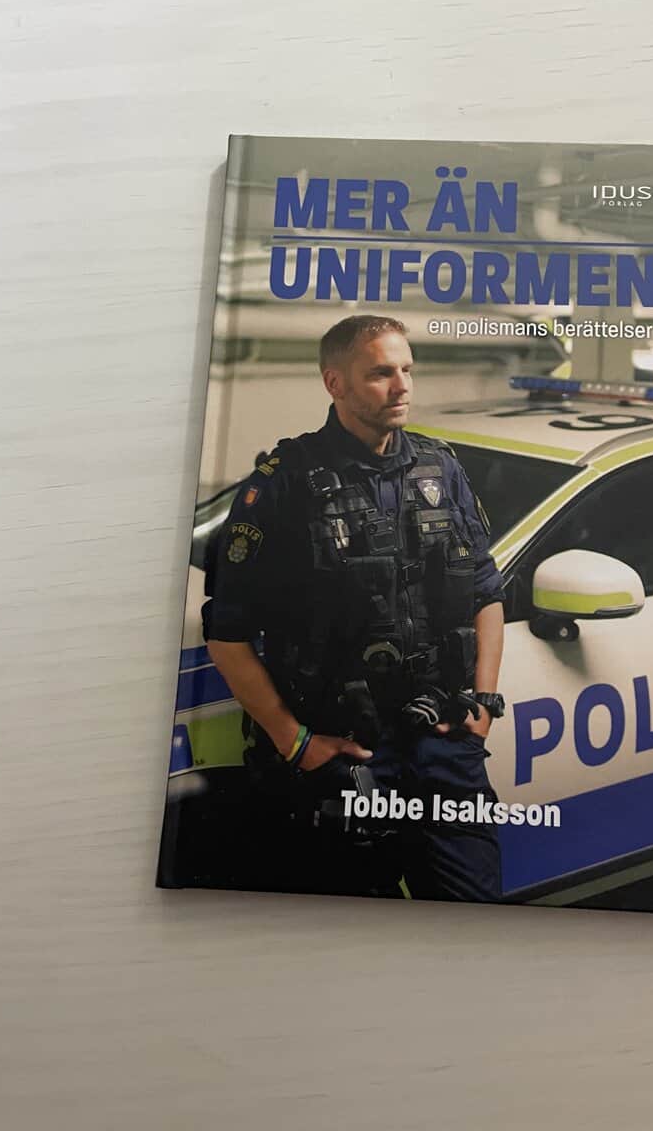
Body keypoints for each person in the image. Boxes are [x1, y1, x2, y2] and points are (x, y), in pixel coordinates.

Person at [203, 314, 506, 902]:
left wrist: (483, 704)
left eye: (407, 370)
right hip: (342, 752)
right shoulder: (283, 485)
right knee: (349, 924)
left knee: (474, 912)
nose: (402, 386)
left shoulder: (440, 468)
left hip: (444, 744)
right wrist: (295, 742)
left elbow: (485, 592)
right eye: (381, 374)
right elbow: (227, 631)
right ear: (334, 383)